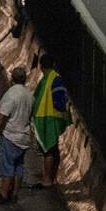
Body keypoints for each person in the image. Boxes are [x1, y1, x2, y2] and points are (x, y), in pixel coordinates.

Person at [0, 66, 34, 204]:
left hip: (10, 136)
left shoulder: (11, 94)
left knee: (7, 166)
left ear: (11, 78)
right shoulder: (29, 95)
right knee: (18, 166)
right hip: (24, 136)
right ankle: (14, 194)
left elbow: (3, 116)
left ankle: (3, 195)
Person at [29, 54, 70, 189]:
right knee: (53, 148)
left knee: (48, 150)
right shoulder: (54, 78)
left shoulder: (48, 79)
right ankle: (52, 178)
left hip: (47, 118)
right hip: (52, 117)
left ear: (41, 66)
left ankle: (47, 180)